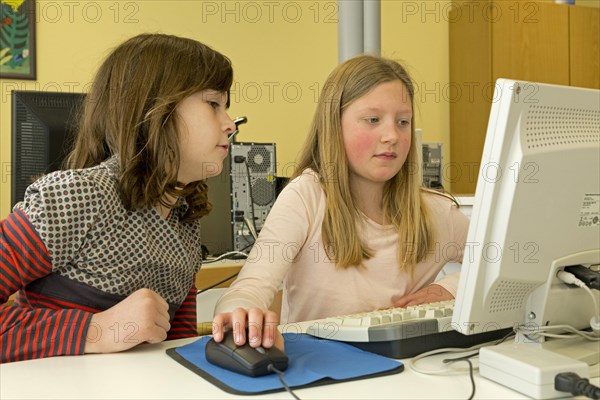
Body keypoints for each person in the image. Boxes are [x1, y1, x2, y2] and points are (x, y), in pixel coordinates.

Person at [0, 33, 236, 363]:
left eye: (227, 108)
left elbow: (173, 351)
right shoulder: (78, 197)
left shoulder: (185, 222)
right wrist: (95, 330)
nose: (230, 124)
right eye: (214, 104)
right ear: (156, 110)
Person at [212, 55, 469, 351]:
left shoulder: (434, 210)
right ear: (334, 125)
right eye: (373, 120)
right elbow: (250, 287)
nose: (392, 136)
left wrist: (447, 289)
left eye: (403, 122)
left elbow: (509, 261)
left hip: (408, 370)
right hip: (323, 373)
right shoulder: (306, 196)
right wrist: (241, 310)